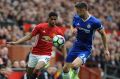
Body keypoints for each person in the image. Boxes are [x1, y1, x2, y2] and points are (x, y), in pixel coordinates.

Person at [7, 12, 64, 79]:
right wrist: (17, 42)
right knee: (28, 74)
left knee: (37, 68)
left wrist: (66, 58)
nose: (53, 21)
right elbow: (29, 36)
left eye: (55, 19)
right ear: (48, 19)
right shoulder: (40, 27)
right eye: (52, 19)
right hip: (34, 53)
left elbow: (63, 45)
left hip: (46, 54)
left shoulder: (58, 31)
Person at [62, 2, 110, 79]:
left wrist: (106, 49)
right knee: (65, 69)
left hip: (86, 49)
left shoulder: (95, 22)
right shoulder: (77, 17)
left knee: (74, 65)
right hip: (76, 46)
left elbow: (103, 34)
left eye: (78, 11)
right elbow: (72, 25)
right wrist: (73, 29)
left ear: (84, 10)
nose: (77, 13)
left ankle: (75, 72)